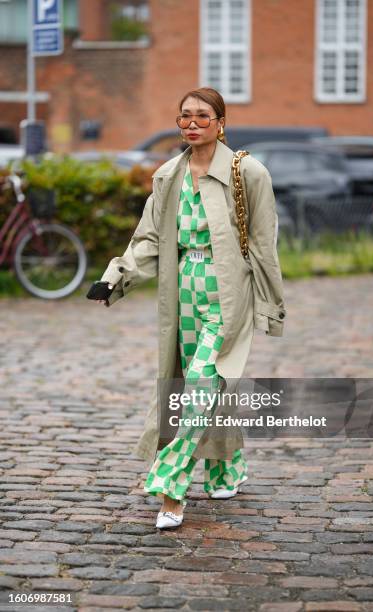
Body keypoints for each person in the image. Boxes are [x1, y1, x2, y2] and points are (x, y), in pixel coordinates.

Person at [96, 87, 286, 529]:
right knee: (203, 387)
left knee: (202, 384)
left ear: (221, 122)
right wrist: (114, 278)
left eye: (203, 115)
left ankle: (169, 484)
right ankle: (227, 468)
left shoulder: (249, 173)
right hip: (184, 291)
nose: (192, 123)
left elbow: (263, 244)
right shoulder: (167, 175)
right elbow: (149, 239)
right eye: (185, 116)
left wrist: (271, 306)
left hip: (228, 294)